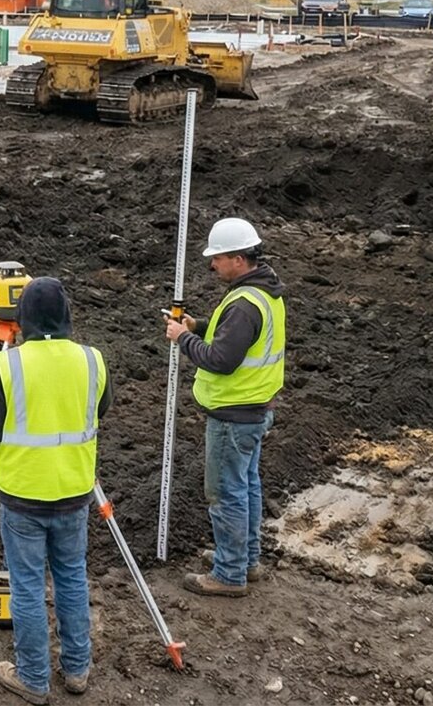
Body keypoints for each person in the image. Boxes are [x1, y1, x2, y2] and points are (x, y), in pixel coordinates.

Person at [0, 277, 111, 703]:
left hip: (23, 496)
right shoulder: (92, 360)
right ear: (67, 315)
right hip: (74, 491)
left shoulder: (8, 364)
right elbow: (99, 407)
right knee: (71, 579)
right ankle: (77, 670)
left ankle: (32, 677)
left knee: (27, 587)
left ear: (22, 318)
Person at [164, 217, 286, 597]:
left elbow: (221, 359)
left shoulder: (245, 303)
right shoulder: (260, 290)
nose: (212, 265)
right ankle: (245, 561)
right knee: (246, 486)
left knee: (226, 492)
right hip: (254, 409)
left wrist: (183, 338)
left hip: (234, 415)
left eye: (217, 258)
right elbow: (232, 337)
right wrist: (198, 325)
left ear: (237, 258)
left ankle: (229, 573)